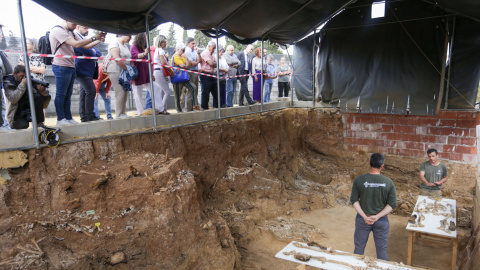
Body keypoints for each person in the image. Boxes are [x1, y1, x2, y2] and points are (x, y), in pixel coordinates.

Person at [49, 20, 105, 125]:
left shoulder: (71, 32)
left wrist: (98, 40)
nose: (75, 26)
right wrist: (94, 37)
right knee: (61, 94)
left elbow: (87, 46)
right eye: (74, 24)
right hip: (61, 65)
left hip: (71, 66)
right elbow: (77, 44)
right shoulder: (58, 30)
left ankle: (68, 117)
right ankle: (61, 119)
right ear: (66, 20)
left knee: (68, 94)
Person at [350, 153, 397, 261]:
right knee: (381, 251)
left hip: (363, 220)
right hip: (382, 221)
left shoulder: (359, 180)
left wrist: (364, 216)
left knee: (358, 249)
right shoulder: (388, 182)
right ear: (382, 166)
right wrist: (377, 216)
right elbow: (392, 204)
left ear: (369, 163)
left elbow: (354, 200)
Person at [3, 65, 50, 129]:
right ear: (14, 74)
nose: (23, 78)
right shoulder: (8, 81)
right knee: (23, 125)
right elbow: (13, 99)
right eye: (21, 76)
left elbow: (44, 103)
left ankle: (39, 123)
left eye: (24, 76)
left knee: (38, 97)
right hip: (16, 113)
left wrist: (42, 91)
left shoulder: (28, 78)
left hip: (27, 109)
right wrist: (23, 84)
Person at [130, 33, 165, 116]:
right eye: (146, 37)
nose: (147, 39)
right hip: (137, 74)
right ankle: (140, 112)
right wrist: (144, 53)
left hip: (146, 73)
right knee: (138, 93)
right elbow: (134, 56)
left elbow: (149, 62)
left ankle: (160, 108)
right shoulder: (134, 46)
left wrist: (152, 73)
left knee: (155, 87)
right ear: (141, 37)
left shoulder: (145, 47)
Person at [74, 25, 102, 122]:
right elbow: (90, 53)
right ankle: (90, 115)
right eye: (85, 28)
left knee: (84, 93)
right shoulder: (76, 37)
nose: (87, 29)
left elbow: (98, 52)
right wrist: (92, 51)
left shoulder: (83, 38)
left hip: (87, 70)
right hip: (82, 69)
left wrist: (92, 51)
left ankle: (85, 117)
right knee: (91, 91)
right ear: (78, 27)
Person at [104, 35, 131, 118]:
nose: (130, 38)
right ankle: (119, 114)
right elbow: (117, 59)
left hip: (124, 70)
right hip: (115, 70)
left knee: (125, 91)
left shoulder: (125, 46)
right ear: (123, 34)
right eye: (129, 36)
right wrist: (128, 69)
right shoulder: (114, 43)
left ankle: (123, 112)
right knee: (120, 92)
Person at [171, 43, 195, 112]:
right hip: (177, 78)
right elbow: (183, 66)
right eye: (182, 50)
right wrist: (185, 64)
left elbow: (188, 65)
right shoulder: (175, 56)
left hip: (184, 78)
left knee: (193, 87)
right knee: (177, 94)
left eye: (184, 50)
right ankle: (179, 110)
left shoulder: (183, 56)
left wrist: (186, 58)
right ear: (178, 49)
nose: (183, 52)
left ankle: (189, 107)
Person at [153, 35, 172, 115]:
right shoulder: (160, 50)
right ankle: (162, 109)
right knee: (167, 92)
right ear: (160, 42)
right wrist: (171, 71)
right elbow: (163, 63)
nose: (165, 43)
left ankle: (160, 109)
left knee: (162, 92)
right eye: (164, 42)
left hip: (158, 71)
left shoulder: (158, 50)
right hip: (159, 71)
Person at [200, 41, 218, 110]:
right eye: (213, 48)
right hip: (205, 74)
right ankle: (204, 106)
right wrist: (213, 63)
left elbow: (216, 64)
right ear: (209, 46)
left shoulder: (212, 55)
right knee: (205, 92)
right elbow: (211, 64)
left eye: (214, 48)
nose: (214, 50)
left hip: (212, 75)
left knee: (216, 91)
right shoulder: (204, 54)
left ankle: (217, 106)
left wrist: (213, 63)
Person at [184, 37, 201, 110]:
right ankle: (188, 108)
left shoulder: (194, 51)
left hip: (195, 72)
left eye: (194, 43)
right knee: (191, 90)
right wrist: (196, 62)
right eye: (192, 43)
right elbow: (192, 63)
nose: (194, 45)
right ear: (187, 44)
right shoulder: (187, 51)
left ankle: (194, 106)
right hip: (190, 72)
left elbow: (199, 60)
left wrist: (198, 53)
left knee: (195, 90)